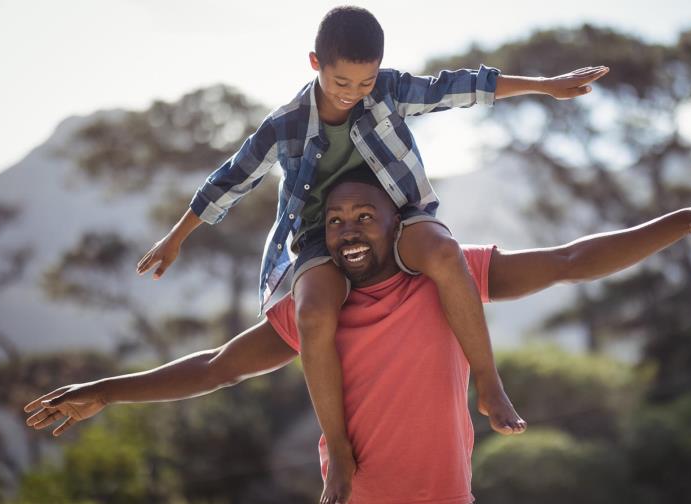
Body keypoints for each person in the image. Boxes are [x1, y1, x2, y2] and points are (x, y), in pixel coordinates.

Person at [27, 165, 691, 504]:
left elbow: (574, 260)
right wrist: (104, 391)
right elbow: (216, 369)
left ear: (398, 225)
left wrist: (684, 220)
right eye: (335, 222)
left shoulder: (451, 279)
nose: (349, 230)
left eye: (364, 217)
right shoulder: (313, 314)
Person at [132, 6, 609, 500]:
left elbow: (459, 87)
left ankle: (489, 385)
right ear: (315, 62)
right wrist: (176, 238)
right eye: (342, 80)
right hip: (323, 235)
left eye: (365, 82)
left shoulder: (388, 90)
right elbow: (228, 180)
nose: (353, 92)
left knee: (446, 254)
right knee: (314, 312)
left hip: (397, 218)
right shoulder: (287, 125)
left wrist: (545, 85)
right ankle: (338, 449)